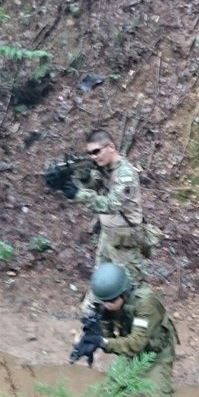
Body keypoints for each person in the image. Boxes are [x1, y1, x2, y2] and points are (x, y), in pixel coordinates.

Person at [71, 263, 199, 397]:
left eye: (111, 301)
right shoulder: (106, 305)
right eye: (103, 301)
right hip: (132, 357)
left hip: (156, 356)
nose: (106, 305)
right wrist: (91, 336)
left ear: (123, 293)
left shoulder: (146, 304)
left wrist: (103, 342)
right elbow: (108, 335)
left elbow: (135, 343)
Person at [47, 129, 149, 308]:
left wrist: (78, 194)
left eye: (96, 151)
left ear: (111, 147)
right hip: (108, 234)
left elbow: (111, 204)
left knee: (130, 285)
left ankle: (133, 324)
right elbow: (93, 185)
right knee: (101, 278)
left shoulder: (126, 174)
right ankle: (93, 313)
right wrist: (66, 183)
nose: (93, 157)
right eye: (90, 153)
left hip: (126, 237)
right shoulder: (104, 169)